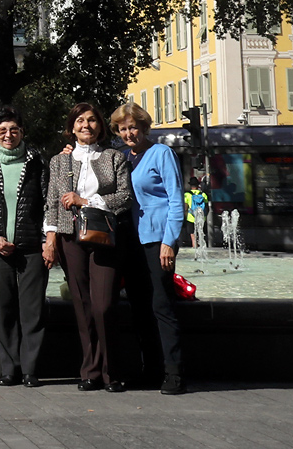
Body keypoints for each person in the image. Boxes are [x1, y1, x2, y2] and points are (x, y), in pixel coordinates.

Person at [43, 101, 133, 393]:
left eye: (92, 120)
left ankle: (113, 371)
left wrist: (86, 202)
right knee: (82, 307)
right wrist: (51, 238)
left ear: (100, 126)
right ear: (71, 128)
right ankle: (91, 371)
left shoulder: (113, 157)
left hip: (104, 235)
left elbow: (124, 197)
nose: (86, 125)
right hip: (71, 237)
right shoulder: (59, 161)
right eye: (80, 121)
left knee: (104, 305)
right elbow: (53, 202)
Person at [111, 102, 185, 395]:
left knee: (162, 307)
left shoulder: (161, 153)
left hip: (157, 241)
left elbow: (176, 200)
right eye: (123, 128)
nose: (129, 133)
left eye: (133, 127)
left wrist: (169, 241)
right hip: (132, 242)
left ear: (144, 127)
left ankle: (175, 373)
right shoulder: (123, 158)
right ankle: (151, 368)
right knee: (140, 309)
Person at [0, 108, 48, 388]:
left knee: (33, 310)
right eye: (2, 130)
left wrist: (44, 239)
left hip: (31, 248)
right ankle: (10, 368)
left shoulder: (37, 162)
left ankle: (30, 369)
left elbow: (46, 203)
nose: (8, 135)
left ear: (22, 132)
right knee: (3, 309)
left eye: (14, 129)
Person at [181, 179, 208, 248]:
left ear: (190, 185)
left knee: (193, 236)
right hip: (201, 217)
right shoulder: (203, 194)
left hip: (191, 218)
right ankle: (202, 250)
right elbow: (207, 207)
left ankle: (195, 249)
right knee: (201, 235)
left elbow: (185, 207)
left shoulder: (187, 194)